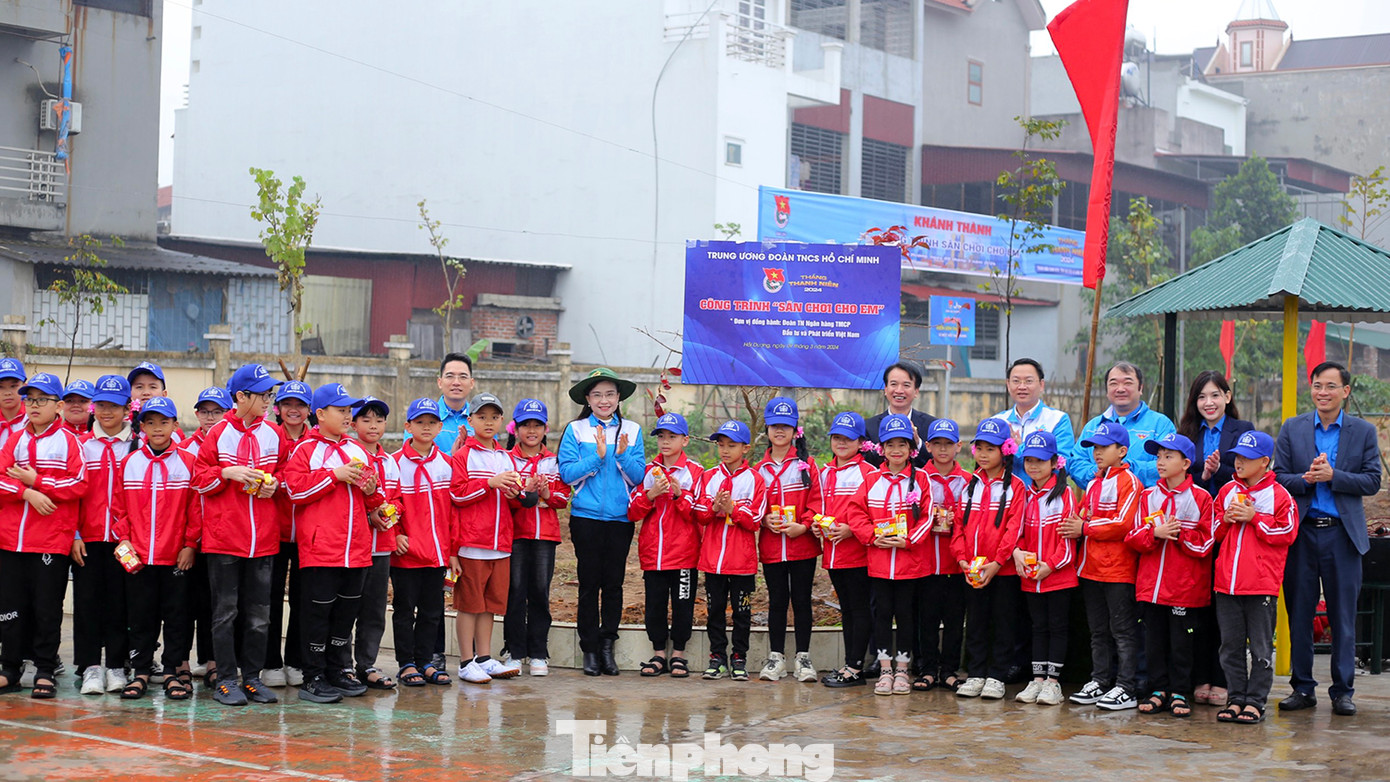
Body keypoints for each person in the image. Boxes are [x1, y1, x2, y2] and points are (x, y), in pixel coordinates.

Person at [1275, 361, 1383, 718]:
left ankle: (1343, 691)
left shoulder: (1362, 431)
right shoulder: (1292, 428)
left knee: (1343, 617)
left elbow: (1372, 481)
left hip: (1342, 535)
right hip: (1302, 534)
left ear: (1345, 391)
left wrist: (1334, 476)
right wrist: (1305, 480)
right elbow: (1278, 476)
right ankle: (1303, 688)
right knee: (1299, 614)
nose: (1323, 392)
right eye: (1317, 385)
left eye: (1331, 386)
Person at [191, 363, 287, 706]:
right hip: (225, 539)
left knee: (259, 615)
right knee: (225, 613)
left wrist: (275, 485)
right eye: (262, 395)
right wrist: (226, 473)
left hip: (263, 540)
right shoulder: (219, 433)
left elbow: (285, 474)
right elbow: (198, 480)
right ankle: (226, 679)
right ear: (241, 397)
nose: (268, 401)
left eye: (270, 395)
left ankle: (252, 678)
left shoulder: (274, 433)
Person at [282, 383, 383, 704]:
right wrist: (333, 475)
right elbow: (294, 490)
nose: (347, 416)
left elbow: (374, 498)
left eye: (349, 410)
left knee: (345, 614)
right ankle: (312, 676)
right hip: (321, 549)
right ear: (321, 414)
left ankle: (337, 670)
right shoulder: (305, 449)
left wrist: (372, 490)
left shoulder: (358, 450)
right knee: (317, 615)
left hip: (356, 550)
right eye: (341, 410)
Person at [0, 372, 88, 699]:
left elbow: (79, 484)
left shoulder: (69, 441)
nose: (33, 405)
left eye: (42, 399)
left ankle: (45, 669)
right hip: (11, 539)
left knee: (47, 608)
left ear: (59, 406)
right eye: (30, 399)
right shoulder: (15, 440)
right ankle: (10, 668)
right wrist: (26, 493)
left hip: (51, 539)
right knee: (11, 606)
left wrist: (38, 482)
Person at [557, 368, 646, 677]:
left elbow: (639, 476)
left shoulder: (632, 430)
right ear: (588, 398)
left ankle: (608, 646)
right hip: (586, 518)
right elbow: (566, 473)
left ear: (619, 397)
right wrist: (597, 456)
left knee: (613, 584)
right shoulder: (576, 429)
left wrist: (621, 455)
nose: (604, 400)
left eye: (609, 394)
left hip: (620, 520)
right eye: (597, 395)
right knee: (588, 585)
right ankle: (590, 649)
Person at [111, 397, 198, 700]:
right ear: (142, 427)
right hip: (139, 558)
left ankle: (172, 672)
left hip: (175, 558)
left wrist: (190, 544)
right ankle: (141, 672)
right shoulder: (130, 463)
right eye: (150, 422)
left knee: (177, 617)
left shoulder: (188, 462)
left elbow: (195, 509)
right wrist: (124, 538)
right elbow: (118, 507)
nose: (157, 428)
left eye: (164, 422)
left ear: (175, 425)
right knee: (141, 617)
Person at [1176, 370, 1251, 707]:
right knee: (1198, 607)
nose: (1208, 402)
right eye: (1202, 397)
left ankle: (1222, 679)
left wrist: (1217, 472)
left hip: (1228, 528)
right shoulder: (1186, 432)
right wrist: (1201, 474)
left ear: (1227, 397)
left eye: (1215, 395)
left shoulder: (1243, 430)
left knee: (1225, 607)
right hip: (1192, 527)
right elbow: (1177, 473)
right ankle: (1200, 676)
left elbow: (1249, 472)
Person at [1212, 430, 1298, 724]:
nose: (1239, 462)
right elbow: (1212, 532)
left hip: (1261, 586)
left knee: (1261, 648)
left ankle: (1256, 701)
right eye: (1237, 456)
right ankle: (1236, 698)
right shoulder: (1226, 491)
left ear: (1264, 461)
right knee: (1230, 647)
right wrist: (1225, 520)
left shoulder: (1279, 495)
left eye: (1247, 458)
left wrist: (1254, 518)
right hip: (1227, 585)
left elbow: (1288, 533)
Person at [1126, 433, 1214, 719]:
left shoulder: (1201, 498)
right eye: (1158, 456)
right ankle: (1158, 690)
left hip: (1184, 589)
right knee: (1153, 641)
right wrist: (1155, 533)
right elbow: (1133, 537)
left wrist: (1178, 534)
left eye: (1168, 456)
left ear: (1186, 463)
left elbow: (1206, 544)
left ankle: (1179, 691)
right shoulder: (1147, 496)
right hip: (1151, 587)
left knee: (1181, 643)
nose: (1160, 462)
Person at [847, 414, 930, 696]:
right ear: (881, 448)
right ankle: (885, 669)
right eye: (890, 444)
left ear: (911, 449)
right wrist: (872, 536)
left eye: (902, 444)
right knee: (881, 615)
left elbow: (927, 517)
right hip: (879, 563)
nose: (896, 450)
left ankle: (903, 670)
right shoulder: (872, 479)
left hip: (909, 564)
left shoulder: (921, 479)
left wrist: (908, 540)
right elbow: (855, 513)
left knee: (905, 616)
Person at [1061, 421, 1142, 711]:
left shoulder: (1130, 482)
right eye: (1094, 447)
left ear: (1122, 451)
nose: (1097, 452)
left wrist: (1085, 527)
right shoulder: (1093, 483)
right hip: (1090, 568)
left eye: (1104, 447)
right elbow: (1083, 514)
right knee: (1098, 631)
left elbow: (1123, 523)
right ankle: (1100, 680)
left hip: (1118, 569)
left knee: (1122, 630)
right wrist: (1081, 523)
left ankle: (1126, 687)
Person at [450, 392, 524, 684]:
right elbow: (456, 495)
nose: (488, 422)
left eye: (494, 417)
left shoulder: (507, 457)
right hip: (472, 545)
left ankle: (484, 658)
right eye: (482, 417)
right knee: (469, 605)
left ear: (502, 420)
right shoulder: (463, 456)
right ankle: (465, 662)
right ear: (470, 420)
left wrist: (517, 493)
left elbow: (513, 500)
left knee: (490, 605)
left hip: (500, 545)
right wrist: (489, 483)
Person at [952, 419, 1025, 701]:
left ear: (1005, 451)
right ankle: (976, 673)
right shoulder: (969, 485)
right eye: (979, 448)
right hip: (972, 569)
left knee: (1003, 623)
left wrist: (997, 562)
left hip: (1002, 571)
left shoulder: (1015, 486)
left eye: (990, 449)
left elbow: (1013, 529)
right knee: (976, 622)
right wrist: (962, 559)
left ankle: (996, 677)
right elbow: (958, 526)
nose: (983, 454)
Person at [73, 374, 135, 695]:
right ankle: (90, 667)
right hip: (88, 539)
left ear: (127, 408)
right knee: (86, 603)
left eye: (114, 405)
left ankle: (116, 665)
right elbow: (72, 496)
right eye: (101, 405)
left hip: (125, 541)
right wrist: (74, 534)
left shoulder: (137, 446)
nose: (107, 412)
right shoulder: (81, 446)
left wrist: (131, 534)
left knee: (119, 604)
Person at [629, 413, 702, 680]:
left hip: (684, 554)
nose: (666, 442)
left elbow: (698, 513)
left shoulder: (695, 471)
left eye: (672, 436)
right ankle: (659, 653)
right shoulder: (648, 471)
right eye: (661, 436)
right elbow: (632, 512)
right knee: (655, 605)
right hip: (654, 554)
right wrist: (651, 495)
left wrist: (678, 494)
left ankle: (678, 654)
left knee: (683, 605)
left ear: (685, 440)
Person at [754, 397, 822, 683]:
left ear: (795, 430)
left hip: (802, 546)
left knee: (802, 600)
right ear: (767, 430)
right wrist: (764, 520)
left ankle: (803, 657)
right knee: (777, 601)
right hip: (772, 548)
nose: (779, 431)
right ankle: (776, 657)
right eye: (774, 426)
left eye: (785, 426)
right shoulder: (759, 469)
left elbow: (817, 502)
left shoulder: (807, 465)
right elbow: (753, 505)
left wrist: (803, 526)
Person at [692, 420, 766, 682]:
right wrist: (714, 508)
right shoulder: (709, 476)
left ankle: (739, 658)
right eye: (721, 445)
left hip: (742, 561)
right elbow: (699, 514)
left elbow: (756, 520)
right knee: (714, 611)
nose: (725, 450)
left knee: (742, 612)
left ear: (745, 448)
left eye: (732, 445)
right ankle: (717, 657)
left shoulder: (755, 479)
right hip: (713, 560)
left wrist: (733, 510)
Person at [503, 399, 570, 677]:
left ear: (546, 429)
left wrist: (545, 495)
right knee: (515, 592)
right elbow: (505, 499)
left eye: (537, 425)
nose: (531, 431)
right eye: (525, 425)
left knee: (540, 592)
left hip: (545, 537)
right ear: (515, 429)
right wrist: (525, 494)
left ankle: (539, 652)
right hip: (516, 535)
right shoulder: (506, 459)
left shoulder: (554, 461)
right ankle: (514, 651)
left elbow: (563, 498)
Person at [390, 399, 454, 688]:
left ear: (440, 427)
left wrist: (452, 550)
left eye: (431, 422)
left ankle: (425, 661)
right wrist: (396, 534)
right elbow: (388, 502)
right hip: (406, 553)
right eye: (419, 422)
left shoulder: (446, 464)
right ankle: (406, 663)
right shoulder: (394, 463)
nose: (426, 427)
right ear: (408, 426)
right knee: (405, 610)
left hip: (437, 553)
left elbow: (454, 512)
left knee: (432, 611)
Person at [1013, 431, 1076, 707]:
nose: (1034, 466)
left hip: (1059, 576)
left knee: (1057, 626)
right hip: (1031, 577)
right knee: (1038, 626)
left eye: (1040, 460)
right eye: (1029, 460)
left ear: (1054, 462)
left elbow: (1069, 540)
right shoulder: (1024, 495)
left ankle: (1053, 682)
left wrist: (1050, 566)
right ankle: (1037, 680)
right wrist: (1019, 556)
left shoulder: (1065, 495)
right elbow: (1017, 532)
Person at [813, 412, 874, 688]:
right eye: (837, 437)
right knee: (847, 610)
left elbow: (875, 513)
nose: (841, 443)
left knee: (859, 609)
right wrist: (816, 525)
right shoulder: (824, 472)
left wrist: (851, 529)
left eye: (848, 438)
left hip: (859, 553)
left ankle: (855, 667)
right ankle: (850, 664)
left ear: (861, 442)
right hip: (833, 554)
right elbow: (819, 507)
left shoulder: (869, 472)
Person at [424, 353, 477, 671]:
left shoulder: (482, 417)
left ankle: (476, 655)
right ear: (440, 381)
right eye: (450, 376)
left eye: (462, 376)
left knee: (470, 584)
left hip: (469, 517)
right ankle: (434, 653)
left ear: (472, 383)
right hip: (434, 515)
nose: (456, 382)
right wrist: (453, 458)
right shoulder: (426, 417)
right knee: (435, 586)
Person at [176, 386, 232, 684]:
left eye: (217, 411)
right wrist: (188, 539)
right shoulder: (184, 449)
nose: (210, 417)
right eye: (205, 411)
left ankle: (213, 661)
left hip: (220, 537)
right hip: (187, 539)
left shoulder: (231, 445)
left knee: (215, 604)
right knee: (184, 604)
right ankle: (181, 662)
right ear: (196, 414)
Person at [264, 379, 313, 689]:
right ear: (278, 408)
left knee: (303, 598)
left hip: (309, 534)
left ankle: (296, 660)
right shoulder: (268, 437)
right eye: (287, 404)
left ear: (310, 410)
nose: (293, 410)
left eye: (300, 405)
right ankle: (270, 662)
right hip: (274, 532)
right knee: (269, 598)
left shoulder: (317, 441)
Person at [351, 395, 401, 691]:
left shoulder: (390, 461)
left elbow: (398, 499)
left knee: (374, 609)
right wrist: (368, 513)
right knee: (347, 608)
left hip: (381, 547)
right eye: (366, 419)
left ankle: (366, 663)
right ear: (353, 423)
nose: (373, 425)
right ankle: (341, 664)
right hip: (352, 548)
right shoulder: (349, 456)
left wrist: (390, 513)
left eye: (379, 420)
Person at [916, 418, 969, 692]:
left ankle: (949, 670)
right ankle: (927, 669)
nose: (943, 449)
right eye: (937, 443)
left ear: (959, 446)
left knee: (954, 620)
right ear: (928, 446)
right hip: (925, 562)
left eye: (949, 443)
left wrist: (955, 518)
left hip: (956, 562)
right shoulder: (918, 478)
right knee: (926, 619)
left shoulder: (969, 481)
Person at [1071, 362, 1176, 488]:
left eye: (1128, 383)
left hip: (1147, 499)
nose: (1120, 389)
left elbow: (1170, 463)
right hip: (1100, 498)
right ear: (1107, 390)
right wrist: (1101, 473)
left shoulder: (1160, 424)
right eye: (1113, 383)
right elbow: (1075, 463)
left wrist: (1125, 469)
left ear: (1140, 388)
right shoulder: (1093, 427)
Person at [992, 358, 1076, 481]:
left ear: (1041, 385)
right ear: (1008, 385)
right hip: (1005, 492)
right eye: (1016, 381)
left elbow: (1063, 465)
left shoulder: (1058, 420)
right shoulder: (997, 421)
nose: (1022, 387)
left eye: (1028, 381)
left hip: (1042, 492)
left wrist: (1020, 449)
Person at [863, 362, 937, 468]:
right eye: (894, 384)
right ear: (885, 389)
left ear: (916, 391)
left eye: (906, 385)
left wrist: (918, 443)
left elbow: (938, 464)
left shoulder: (931, 425)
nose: (899, 391)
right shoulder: (869, 427)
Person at [0, 359, 26, 452]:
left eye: (13, 386)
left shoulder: (33, 419)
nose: (7, 393)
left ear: (24, 387)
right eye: (1, 387)